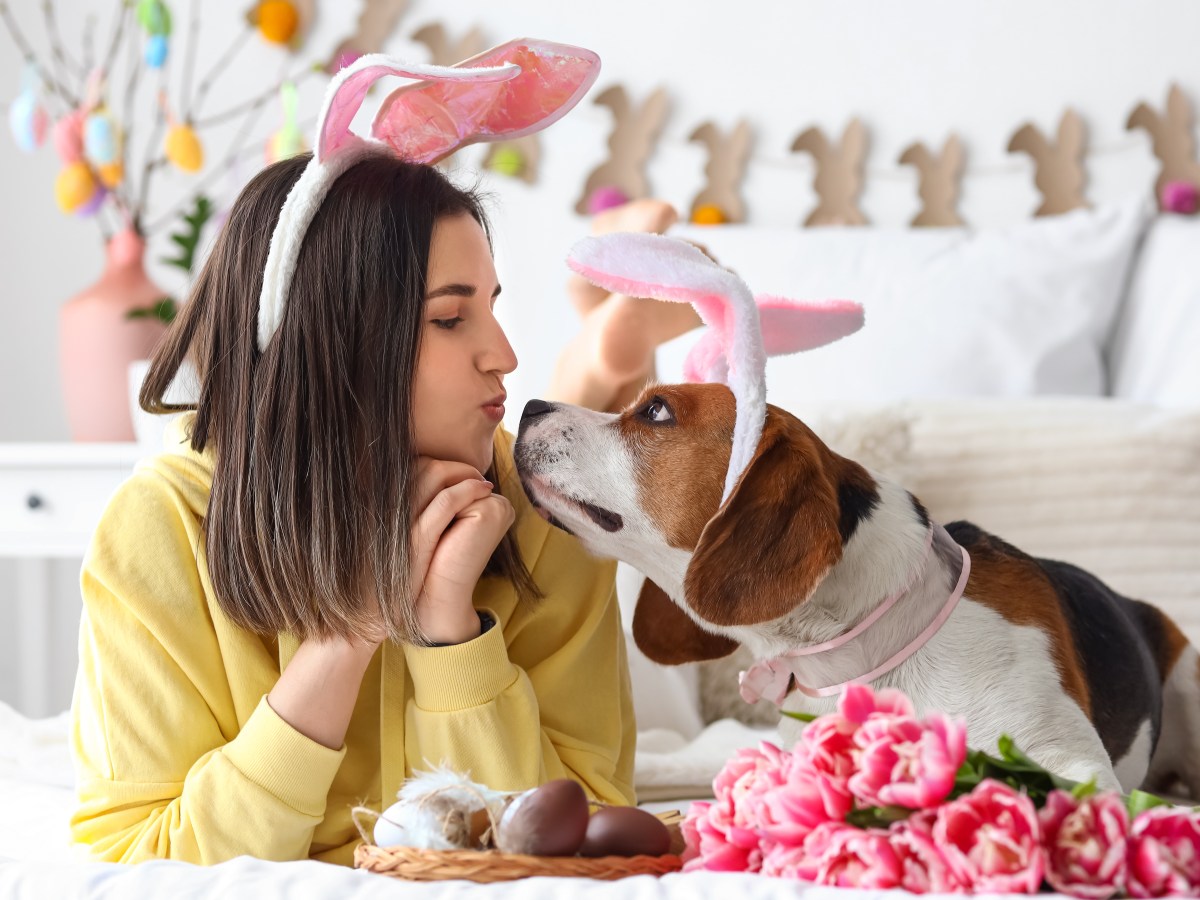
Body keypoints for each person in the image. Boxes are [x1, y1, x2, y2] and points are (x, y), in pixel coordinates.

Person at [69, 151, 636, 866]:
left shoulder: (545, 513)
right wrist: (353, 629)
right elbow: (141, 861)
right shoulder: (162, 528)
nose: (504, 354)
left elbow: (582, 834)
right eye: (450, 318)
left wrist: (451, 637)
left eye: (490, 308)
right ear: (330, 337)